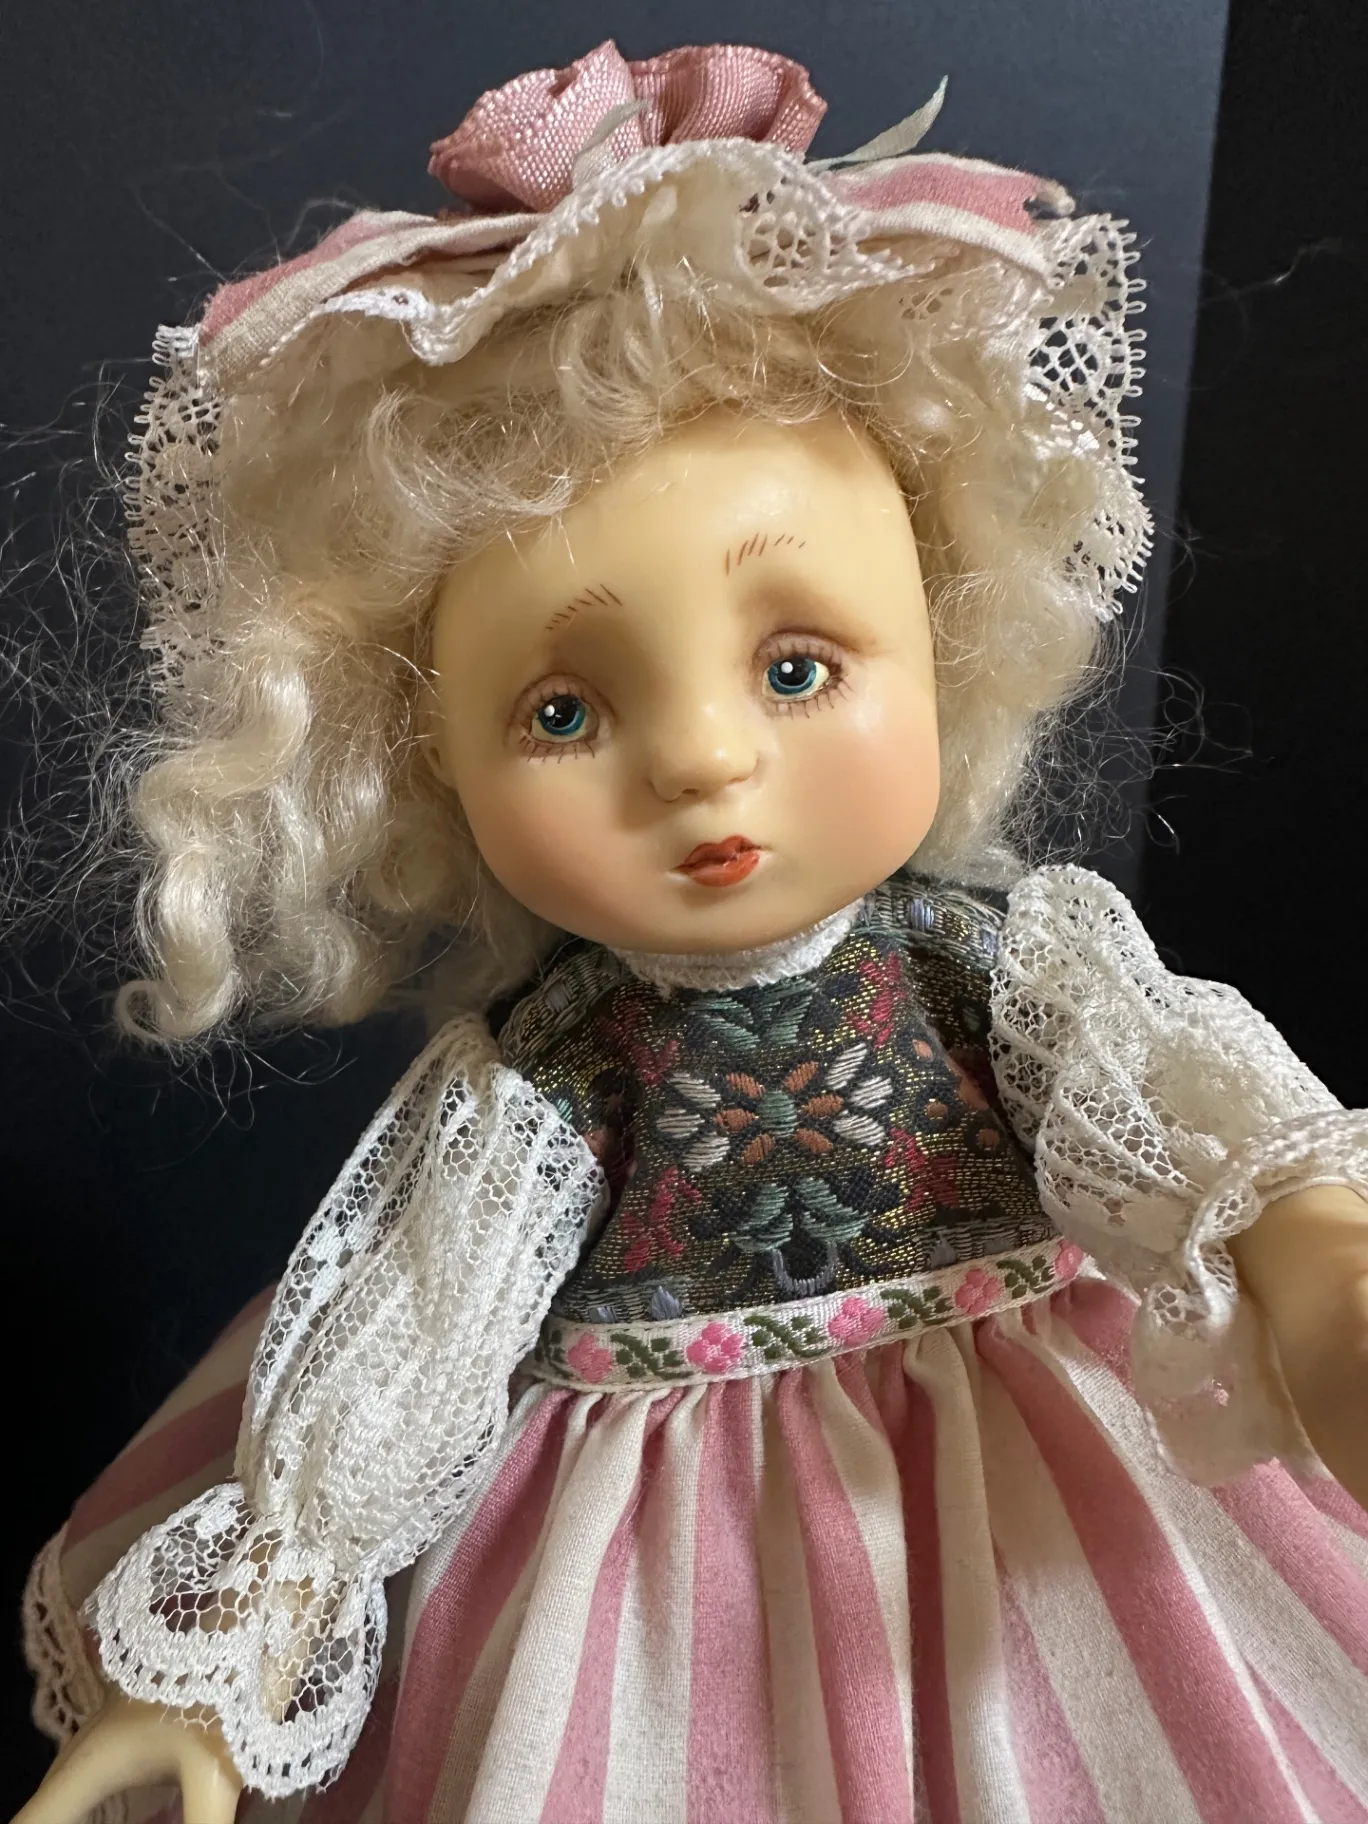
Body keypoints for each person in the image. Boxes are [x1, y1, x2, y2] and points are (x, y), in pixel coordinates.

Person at [16, 40, 1368, 1824]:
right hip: (666, 1602)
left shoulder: (1007, 971)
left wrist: (1316, 1267)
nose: (706, 761)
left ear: (945, 639)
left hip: (1048, 1528)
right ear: (428, 764)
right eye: (564, 712)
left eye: (797, 667)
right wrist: (224, 1679)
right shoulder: (550, 1080)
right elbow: (406, 1350)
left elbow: (1202, 1131)